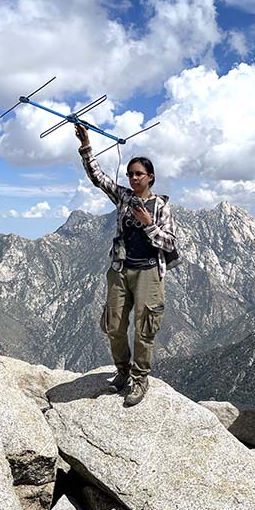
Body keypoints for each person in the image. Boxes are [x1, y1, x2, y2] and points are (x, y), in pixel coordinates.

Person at [75, 122, 178, 406]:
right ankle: (122, 371)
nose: (133, 178)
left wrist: (148, 226)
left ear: (150, 177)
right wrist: (86, 147)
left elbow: (170, 244)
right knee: (114, 325)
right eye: (131, 174)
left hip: (148, 272)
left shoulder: (160, 207)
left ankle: (140, 378)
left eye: (139, 174)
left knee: (144, 328)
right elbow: (99, 178)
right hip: (120, 269)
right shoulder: (124, 197)